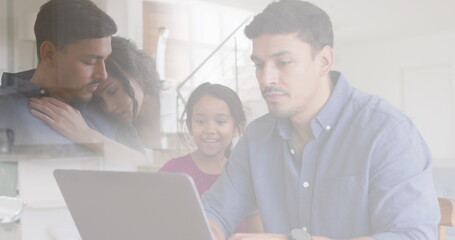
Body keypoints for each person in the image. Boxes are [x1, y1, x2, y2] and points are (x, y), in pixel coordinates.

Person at [202, 0, 440, 239]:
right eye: (259, 65)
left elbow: (413, 235)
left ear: (324, 61)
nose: (266, 79)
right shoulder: (256, 137)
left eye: (283, 63)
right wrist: (204, 229)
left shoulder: (388, 132)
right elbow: (214, 213)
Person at [0, 0, 116, 195]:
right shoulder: (6, 110)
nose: (102, 74)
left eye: (105, 60)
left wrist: (89, 137)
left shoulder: (108, 107)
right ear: (49, 53)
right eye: (89, 61)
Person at [29, 36, 162, 162]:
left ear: (137, 75)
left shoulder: (167, 111)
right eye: (100, 100)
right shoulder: (118, 122)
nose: (108, 108)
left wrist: (85, 134)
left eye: (112, 91)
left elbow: (144, 165)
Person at [158, 82, 263, 233]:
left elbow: (258, 234)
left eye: (220, 121)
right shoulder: (172, 171)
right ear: (189, 126)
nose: (210, 130)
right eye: (200, 121)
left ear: (237, 128)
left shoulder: (245, 177)